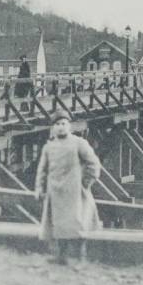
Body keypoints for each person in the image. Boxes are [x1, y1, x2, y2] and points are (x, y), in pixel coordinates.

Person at [35, 109, 102, 265]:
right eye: (57, 124)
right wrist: (39, 188)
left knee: (77, 224)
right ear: (53, 128)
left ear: (69, 126)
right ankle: (61, 257)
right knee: (58, 225)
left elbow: (94, 164)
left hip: (75, 193)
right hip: (55, 192)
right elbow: (42, 170)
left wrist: (85, 183)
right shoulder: (49, 147)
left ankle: (80, 257)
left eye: (64, 124)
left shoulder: (79, 143)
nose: (60, 127)